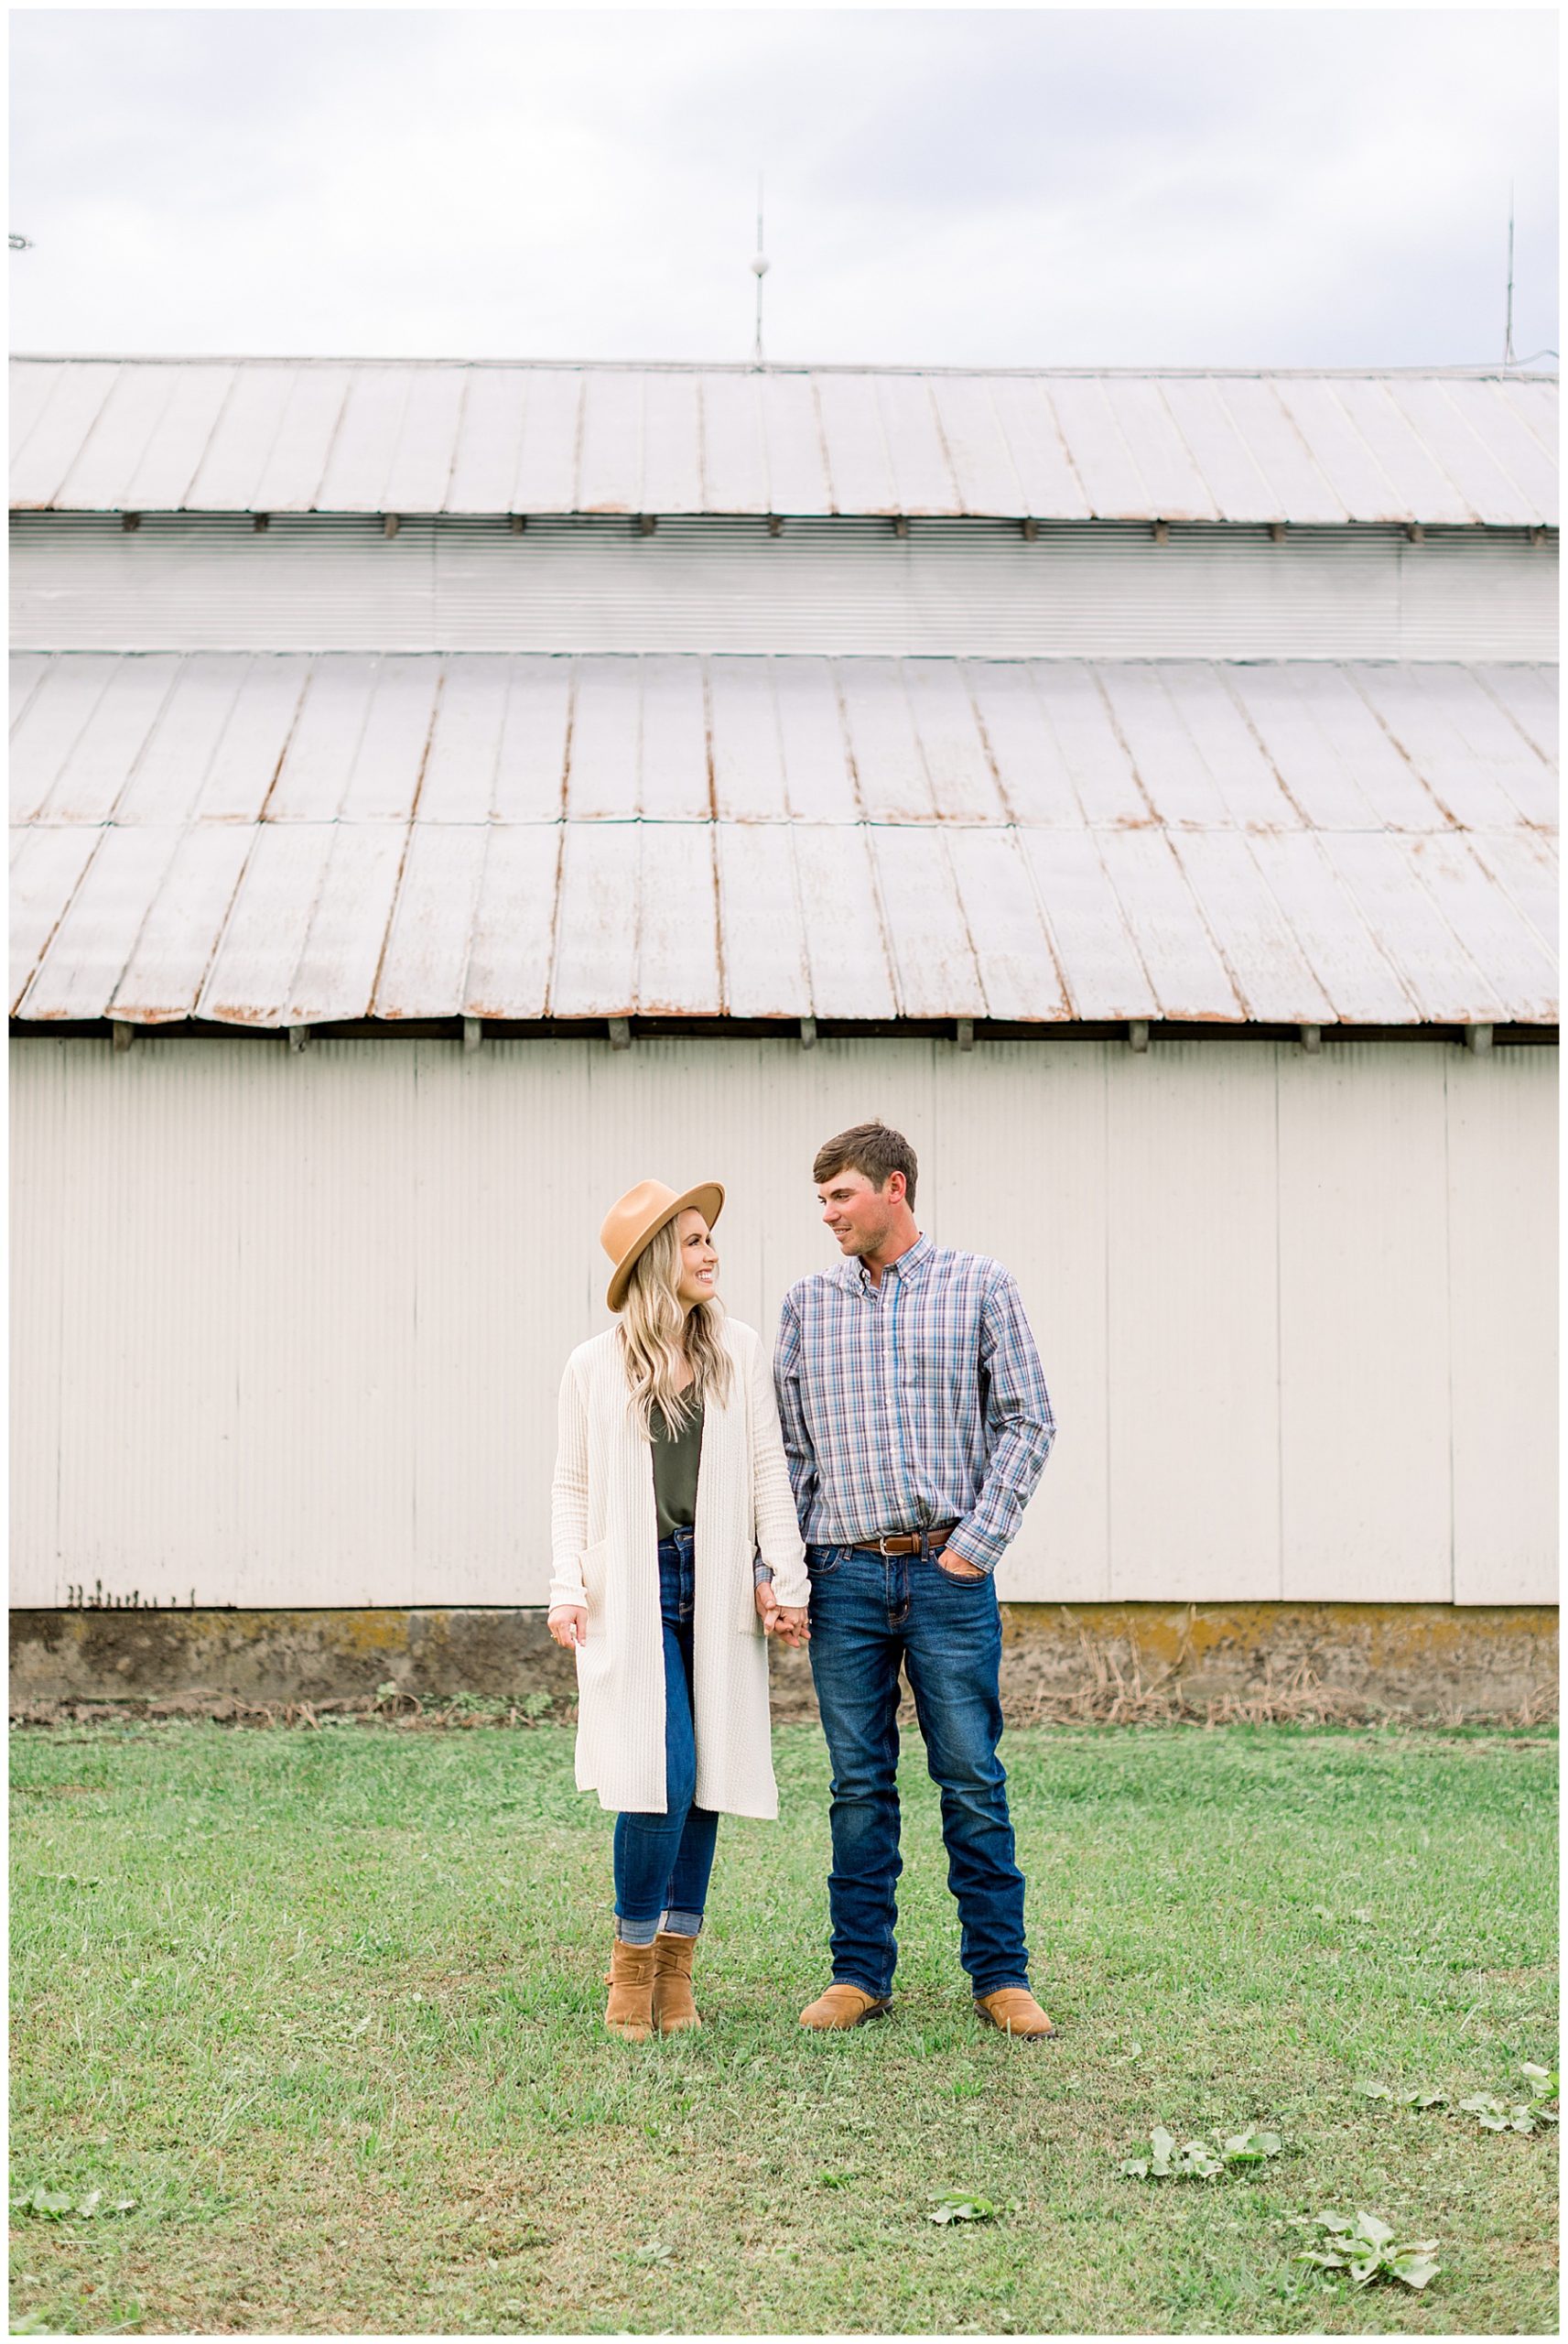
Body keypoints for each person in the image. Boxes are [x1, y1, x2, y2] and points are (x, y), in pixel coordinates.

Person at [770, 1123, 1058, 2039]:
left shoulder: (982, 1286)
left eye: (841, 1196)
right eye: (820, 1200)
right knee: (858, 1783)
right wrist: (787, 1570)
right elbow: (787, 1453)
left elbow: (1029, 1420)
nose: (828, 1215)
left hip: (947, 1575)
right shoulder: (806, 1306)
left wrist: (975, 1543)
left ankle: (1000, 1976)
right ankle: (859, 1974)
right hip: (844, 1576)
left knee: (970, 1774)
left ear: (895, 1186)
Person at [548, 1177, 810, 2042]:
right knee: (656, 1770)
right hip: (633, 1586)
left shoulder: (737, 1348)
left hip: (720, 1578)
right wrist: (565, 1585)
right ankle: (629, 1968)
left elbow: (769, 1471)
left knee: (705, 1782)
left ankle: (675, 1970)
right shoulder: (594, 1364)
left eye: (709, 1238)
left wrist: (788, 1573)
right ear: (657, 1257)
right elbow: (572, 1485)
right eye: (693, 1240)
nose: (711, 1253)